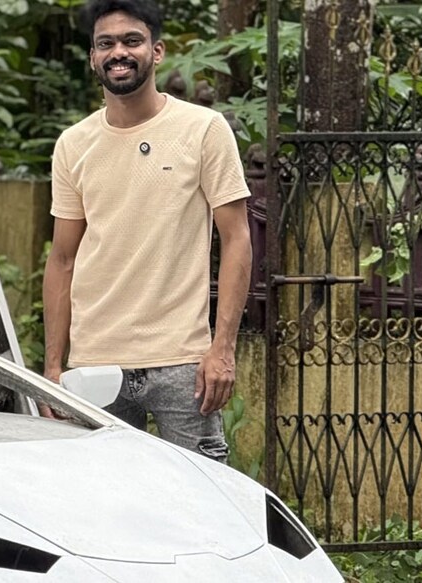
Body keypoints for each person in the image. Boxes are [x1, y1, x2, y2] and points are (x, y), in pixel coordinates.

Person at [40, 0, 252, 464]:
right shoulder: (73, 144)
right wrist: (53, 369)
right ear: (93, 58)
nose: (119, 52)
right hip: (95, 363)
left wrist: (222, 349)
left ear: (156, 52)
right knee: (105, 509)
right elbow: (63, 260)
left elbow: (236, 239)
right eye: (105, 44)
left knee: (204, 501)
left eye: (131, 41)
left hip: (183, 361)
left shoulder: (203, 129)